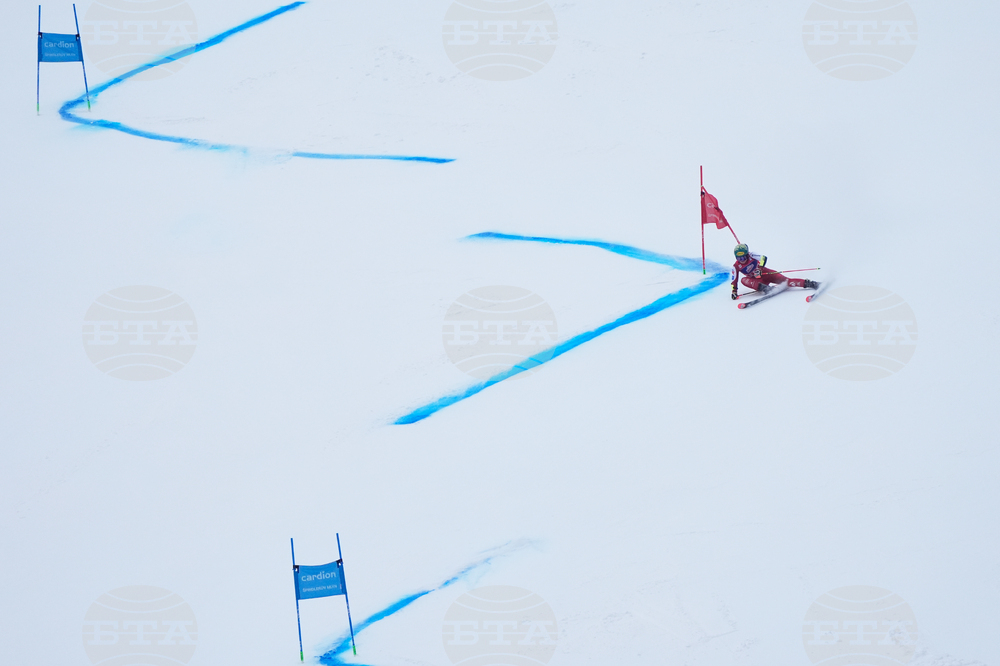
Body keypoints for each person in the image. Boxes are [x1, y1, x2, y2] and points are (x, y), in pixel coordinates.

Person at [731, 243, 818, 300]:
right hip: (757, 281)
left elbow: (763, 258)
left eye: (743, 257)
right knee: (744, 280)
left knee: (786, 281)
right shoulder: (735, 266)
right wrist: (734, 292)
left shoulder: (751, 255)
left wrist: (760, 269)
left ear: (747, 254)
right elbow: (734, 281)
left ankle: (809, 283)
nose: (741, 260)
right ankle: (766, 289)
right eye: (738, 258)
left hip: (765, 273)